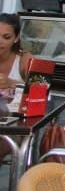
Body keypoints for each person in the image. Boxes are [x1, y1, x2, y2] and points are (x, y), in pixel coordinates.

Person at [0, 13, 32, 163]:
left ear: (16, 38)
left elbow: (43, 92)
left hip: (14, 127)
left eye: (6, 37)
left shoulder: (24, 60)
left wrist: (12, 83)